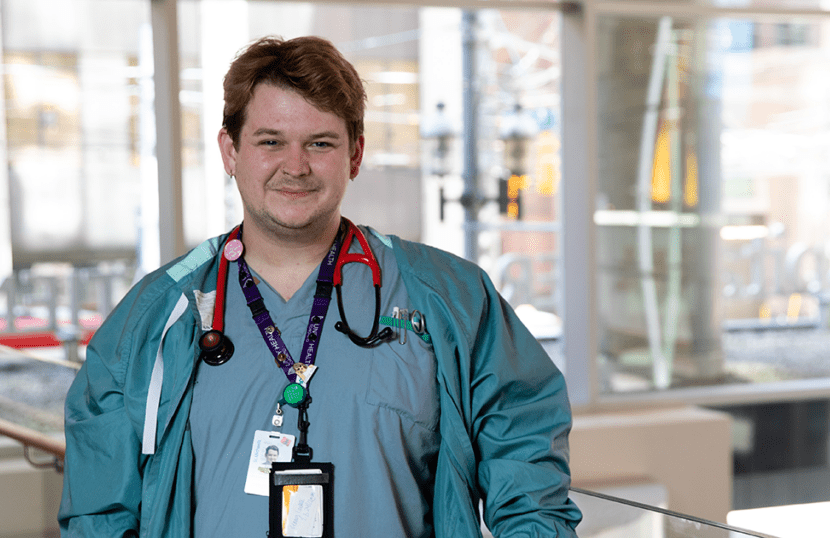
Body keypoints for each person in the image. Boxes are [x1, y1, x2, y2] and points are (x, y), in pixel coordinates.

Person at [58, 35, 580, 537]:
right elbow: (98, 512)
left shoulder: (449, 299)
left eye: (320, 143)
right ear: (230, 151)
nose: (296, 166)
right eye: (271, 142)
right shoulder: (156, 316)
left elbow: (526, 454)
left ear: (355, 153)